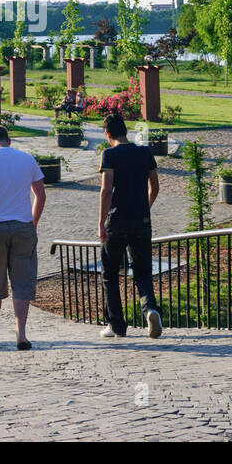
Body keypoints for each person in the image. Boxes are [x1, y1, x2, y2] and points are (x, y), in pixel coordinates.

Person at [0, 124, 46, 350]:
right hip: (23, 228)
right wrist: (32, 223)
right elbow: (40, 196)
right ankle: (21, 335)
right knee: (23, 282)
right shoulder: (27, 160)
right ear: (9, 141)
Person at [97, 113, 162, 338]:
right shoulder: (144, 152)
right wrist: (146, 207)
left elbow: (106, 190)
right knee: (143, 271)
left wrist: (100, 223)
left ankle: (116, 325)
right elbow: (155, 186)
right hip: (142, 221)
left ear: (107, 134)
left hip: (116, 221)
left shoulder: (109, 154)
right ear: (126, 130)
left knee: (110, 273)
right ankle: (150, 309)